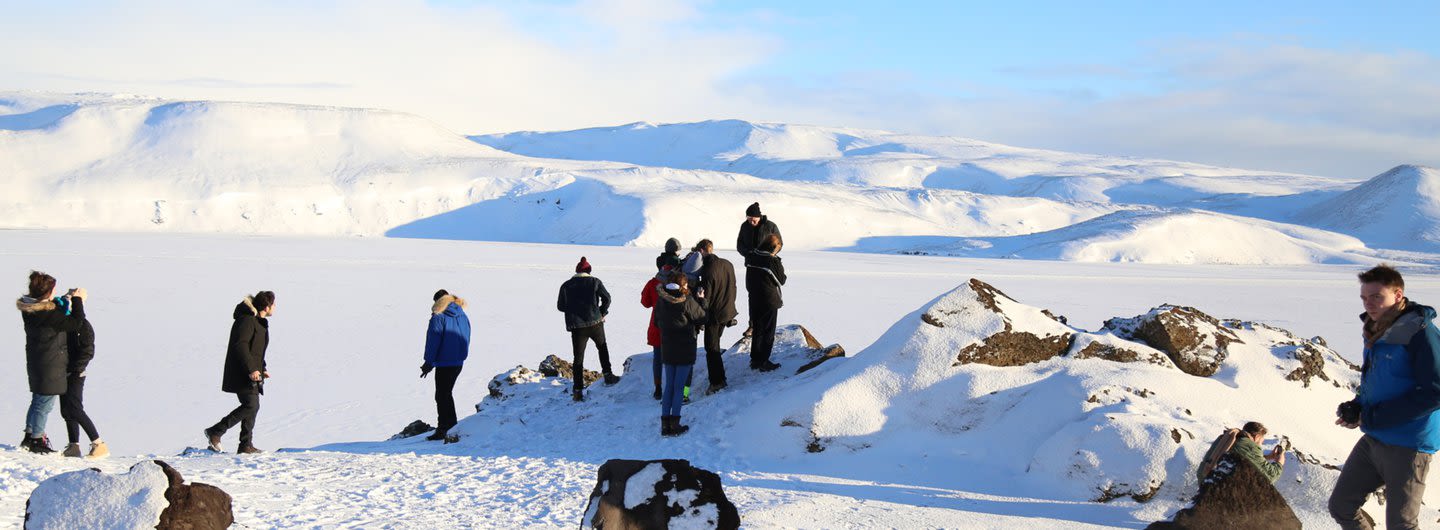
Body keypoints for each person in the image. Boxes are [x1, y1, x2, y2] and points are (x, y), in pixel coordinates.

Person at [1330, 265, 1440, 530]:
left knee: (1401, 525)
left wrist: (1376, 416)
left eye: (1377, 296)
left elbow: (1436, 391)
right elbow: (1377, 380)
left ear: (1398, 294)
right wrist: (1356, 406)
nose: (1369, 304)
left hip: (1408, 444)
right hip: (1375, 438)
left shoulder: (1419, 333)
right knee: (1341, 506)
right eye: (1365, 298)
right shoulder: (1376, 329)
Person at [16, 271, 88, 454]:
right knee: (44, 404)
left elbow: (51, 307)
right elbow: (75, 323)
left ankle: (30, 433)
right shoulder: (49, 316)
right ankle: (37, 439)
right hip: (50, 364)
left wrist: (65, 298)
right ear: (47, 292)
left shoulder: (31, 308)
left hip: (38, 361)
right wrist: (78, 300)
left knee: (38, 400)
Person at [204, 291, 276, 454]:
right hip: (242, 372)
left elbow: (257, 351)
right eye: (274, 305)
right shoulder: (247, 321)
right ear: (267, 306)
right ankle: (216, 431)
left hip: (253, 372)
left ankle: (246, 445)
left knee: (252, 406)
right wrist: (251, 369)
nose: (275, 308)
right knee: (251, 405)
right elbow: (241, 346)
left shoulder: (258, 322)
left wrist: (262, 368)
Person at [558, 257, 615, 401]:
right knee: (602, 347)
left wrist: (573, 309)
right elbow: (607, 298)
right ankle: (608, 375)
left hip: (577, 328)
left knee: (578, 359)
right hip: (595, 323)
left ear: (577, 271)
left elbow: (560, 306)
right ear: (589, 271)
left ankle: (577, 391)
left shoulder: (566, 285)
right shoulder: (595, 282)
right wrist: (601, 312)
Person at [655, 274, 705, 436]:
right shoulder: (687, 301)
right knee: (679, 387)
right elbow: (702, 317)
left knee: (669, 386)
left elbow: (657, 322)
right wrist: (702, 301)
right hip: (684, 348)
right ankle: (675, 424)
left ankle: (665, 425)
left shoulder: (661, 300)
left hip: (668, 348)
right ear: (683, 285)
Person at [421, 289, 471, 441]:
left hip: (444, 363)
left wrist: (428, 362)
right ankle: (450, 426)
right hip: (458, 362)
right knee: (446, 394)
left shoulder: (439, 316)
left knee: (442, 395)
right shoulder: (462, 314)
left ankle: (444, 429)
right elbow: (466, 336)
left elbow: (433, 341)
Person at [60, 310, 106, 458]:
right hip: (65, 371)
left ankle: (98, 444)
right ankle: (74, 445)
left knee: (75, 408)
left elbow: (88, 350)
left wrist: (76, 368)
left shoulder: (82, 325)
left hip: (75, 372)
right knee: (67, 410)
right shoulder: (65, 325)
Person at [696, 240, 738, 392]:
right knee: (715, 345)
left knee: (711, 348)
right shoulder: (727, 264)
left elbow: (706, 298)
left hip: (715, 314)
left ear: (701, 251)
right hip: (727, 310)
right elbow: (733, 286)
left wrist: (700, 301)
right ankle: (720, 378)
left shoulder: (708, 271)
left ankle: (717, 381)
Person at [745, 234, 786, 372]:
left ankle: (755, 359)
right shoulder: (770, 261)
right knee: (768, 331)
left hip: (754, 297)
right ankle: (764, 361)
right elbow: (782, 279)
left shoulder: (752, 256)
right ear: (773, 247)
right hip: (768, 300)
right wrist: (776, 260)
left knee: (757, 328)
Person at [640, 265, 673, 400]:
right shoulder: (678, 283)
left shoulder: (653, 283)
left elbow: (645, 302)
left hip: (657, 325)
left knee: (658, 359)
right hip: (674, 327)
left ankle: (658, 388)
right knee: (673, 360)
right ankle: (673, 388)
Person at [736, 203, 781, 267]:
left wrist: (770, 254)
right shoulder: (744, 226)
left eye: (753, 219)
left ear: (759, 217)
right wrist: (747, 253)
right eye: (749, 219)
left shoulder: (771, 226)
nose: (751, 222)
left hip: (767, 264)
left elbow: (779, 244)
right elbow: (739, 244)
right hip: (750, 263)